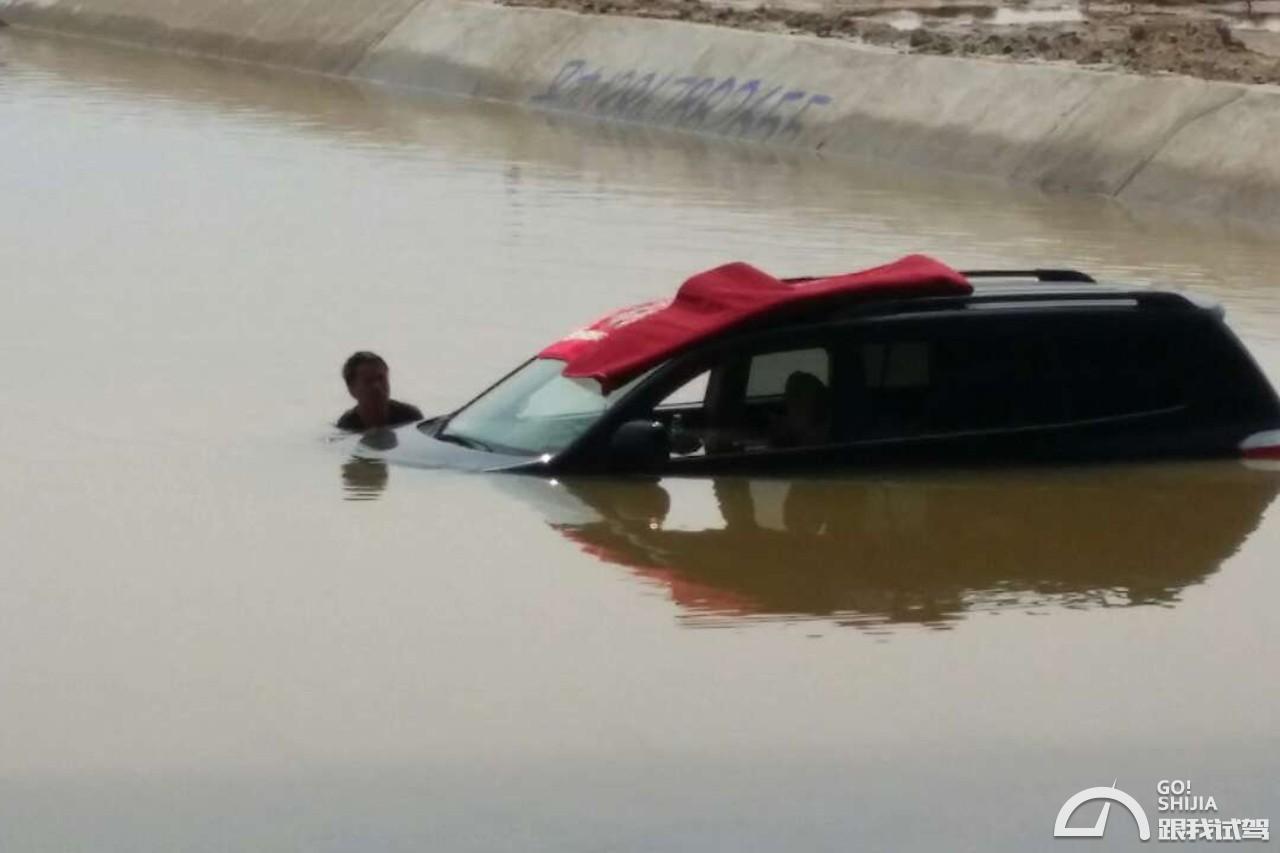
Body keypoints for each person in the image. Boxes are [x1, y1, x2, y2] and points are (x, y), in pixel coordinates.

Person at [336, 351, 423, 432]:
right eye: (368, 381)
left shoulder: (410, 417)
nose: (376, 386)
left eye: (381, 378)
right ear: (351, 389)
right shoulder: (347, 426)